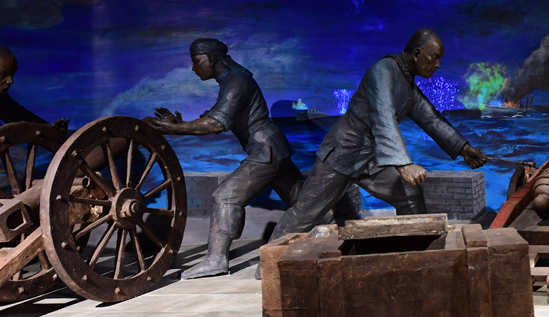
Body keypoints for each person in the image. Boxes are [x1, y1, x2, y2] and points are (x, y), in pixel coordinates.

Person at [266, 28, 486, 244]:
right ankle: (270, 258)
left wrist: (464, 149)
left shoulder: (406, 82)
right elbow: (384, 118)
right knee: (306, 213)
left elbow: (430, 119)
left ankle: (417, 248)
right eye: (433, 58)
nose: (437, 65)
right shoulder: (383, 71)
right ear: (417, 53)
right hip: (343, 152)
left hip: (371, 158)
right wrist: (404, 165)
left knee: (409, 195)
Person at [149, 38, 312, 279]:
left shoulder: (236, 81)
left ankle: (216, 259)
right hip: (273, 148)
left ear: (211, 58)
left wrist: (171, 129)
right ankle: (329, 227)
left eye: (196, 61)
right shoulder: (234, 81)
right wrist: (180, 124)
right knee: (302, 198)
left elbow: (216, 123)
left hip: (265, 151)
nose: (194, 68)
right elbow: (212, 119)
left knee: (225, 197)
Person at [0, 45, 69, 128]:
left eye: (12, 74)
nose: (10, 81)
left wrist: (52, 129)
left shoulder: (3, 100)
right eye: (3, 75)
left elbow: (23, 117)